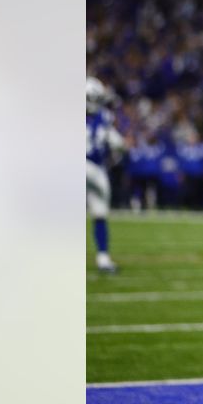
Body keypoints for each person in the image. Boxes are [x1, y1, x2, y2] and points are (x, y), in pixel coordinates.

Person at [86, 76, 125, 274]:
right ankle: (103, 259)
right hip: (95, 169)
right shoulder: (104, 117)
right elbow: (118, 144)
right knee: (100, 214)